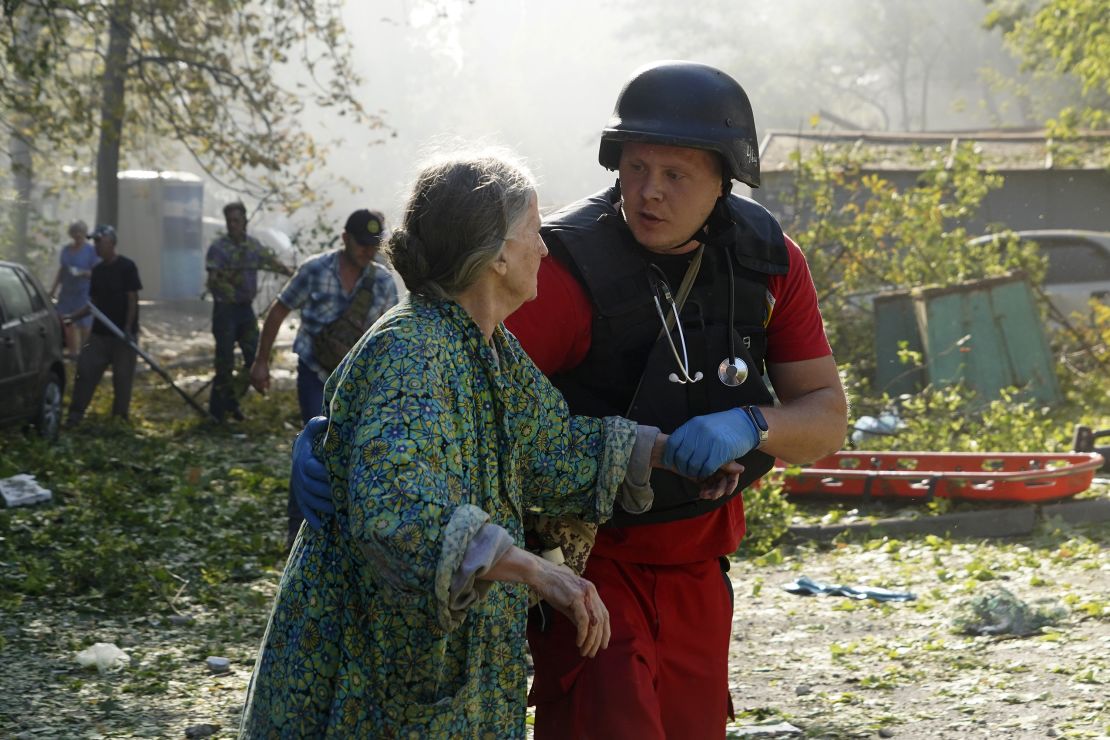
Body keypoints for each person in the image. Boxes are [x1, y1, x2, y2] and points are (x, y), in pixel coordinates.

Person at [292, 61, 849, 739]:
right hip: (589, 563)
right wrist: (339, 439)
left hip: (700, 570)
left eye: (675, 175)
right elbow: (437, 379)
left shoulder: (769, 262)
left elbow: (554, 437)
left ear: (725, 178)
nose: (648, 193)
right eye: (636, 168)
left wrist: (744, 426)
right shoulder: (557, 271)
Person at [239, 151, 741, 738]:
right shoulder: (414, 353)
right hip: (372, 662)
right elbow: (400, 513)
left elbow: (550, 446)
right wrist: (537, 571)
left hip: (432, 665)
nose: (546, 250)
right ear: (497, 254)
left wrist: (664, 449)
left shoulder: (487, 345)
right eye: (534, 231)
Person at [249, 208, 399, 546]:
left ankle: (348, 527)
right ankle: (298, 528)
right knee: (314, 444)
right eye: (361, 244)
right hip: (314, 373)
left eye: (373, 246)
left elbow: (391, 336)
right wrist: (261, 362)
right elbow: (278, 311)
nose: (367, 251)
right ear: (345, 239)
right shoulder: (315, 270)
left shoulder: (383, 283)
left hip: (356, 381)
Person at [205, 201, 292, 422]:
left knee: (253, 357)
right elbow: (213, 282)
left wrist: (292, 273)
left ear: (244, 221)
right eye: (229, 221)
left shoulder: (252, 246)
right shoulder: (218, 248)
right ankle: (217, 412)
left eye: (237, 220)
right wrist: (230, 283)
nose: (233, 225)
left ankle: (233, 402)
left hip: (245, 310)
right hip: (225, 310)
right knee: (224, 361)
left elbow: (271, 262)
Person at [64, 225, 143, 424]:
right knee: (86, 369)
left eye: (100, 241)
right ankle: (75, 415)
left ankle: (120, 420)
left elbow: (132, 299)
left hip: (123, 336)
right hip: (99, 334)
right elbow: (94, 304)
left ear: (111, 242)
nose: (96, 246)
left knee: (122, 379)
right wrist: (72, 317)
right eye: (95, 242)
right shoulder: (97, 271)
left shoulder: (127, 267)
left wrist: (128, 328)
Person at [49, 220, 99, 359]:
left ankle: (87, 353)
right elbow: (62, 270)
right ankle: (73, 353)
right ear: (71, 234)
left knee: (85, 324)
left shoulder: (91, 251)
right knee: (67, 322)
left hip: (83, 292)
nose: (77, 235)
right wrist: (53, 289)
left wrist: (83, 273)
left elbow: (97, 272)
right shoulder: (66, 250)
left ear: (84, 233)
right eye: (75, 232)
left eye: (80, 232)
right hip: (67, 292)